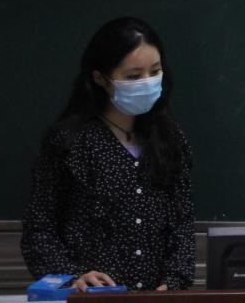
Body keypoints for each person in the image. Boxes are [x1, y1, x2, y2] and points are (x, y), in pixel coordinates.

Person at [21, 17, 194, 291]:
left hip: (155, 295)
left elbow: (182, 222)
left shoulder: (169, 138)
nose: (147, 83)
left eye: (155, 71)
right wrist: (73, 276)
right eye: (134, 76)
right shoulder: (70, 142)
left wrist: (174, 280)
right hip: (93, 294)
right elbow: (39, 229)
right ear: (100, 78)